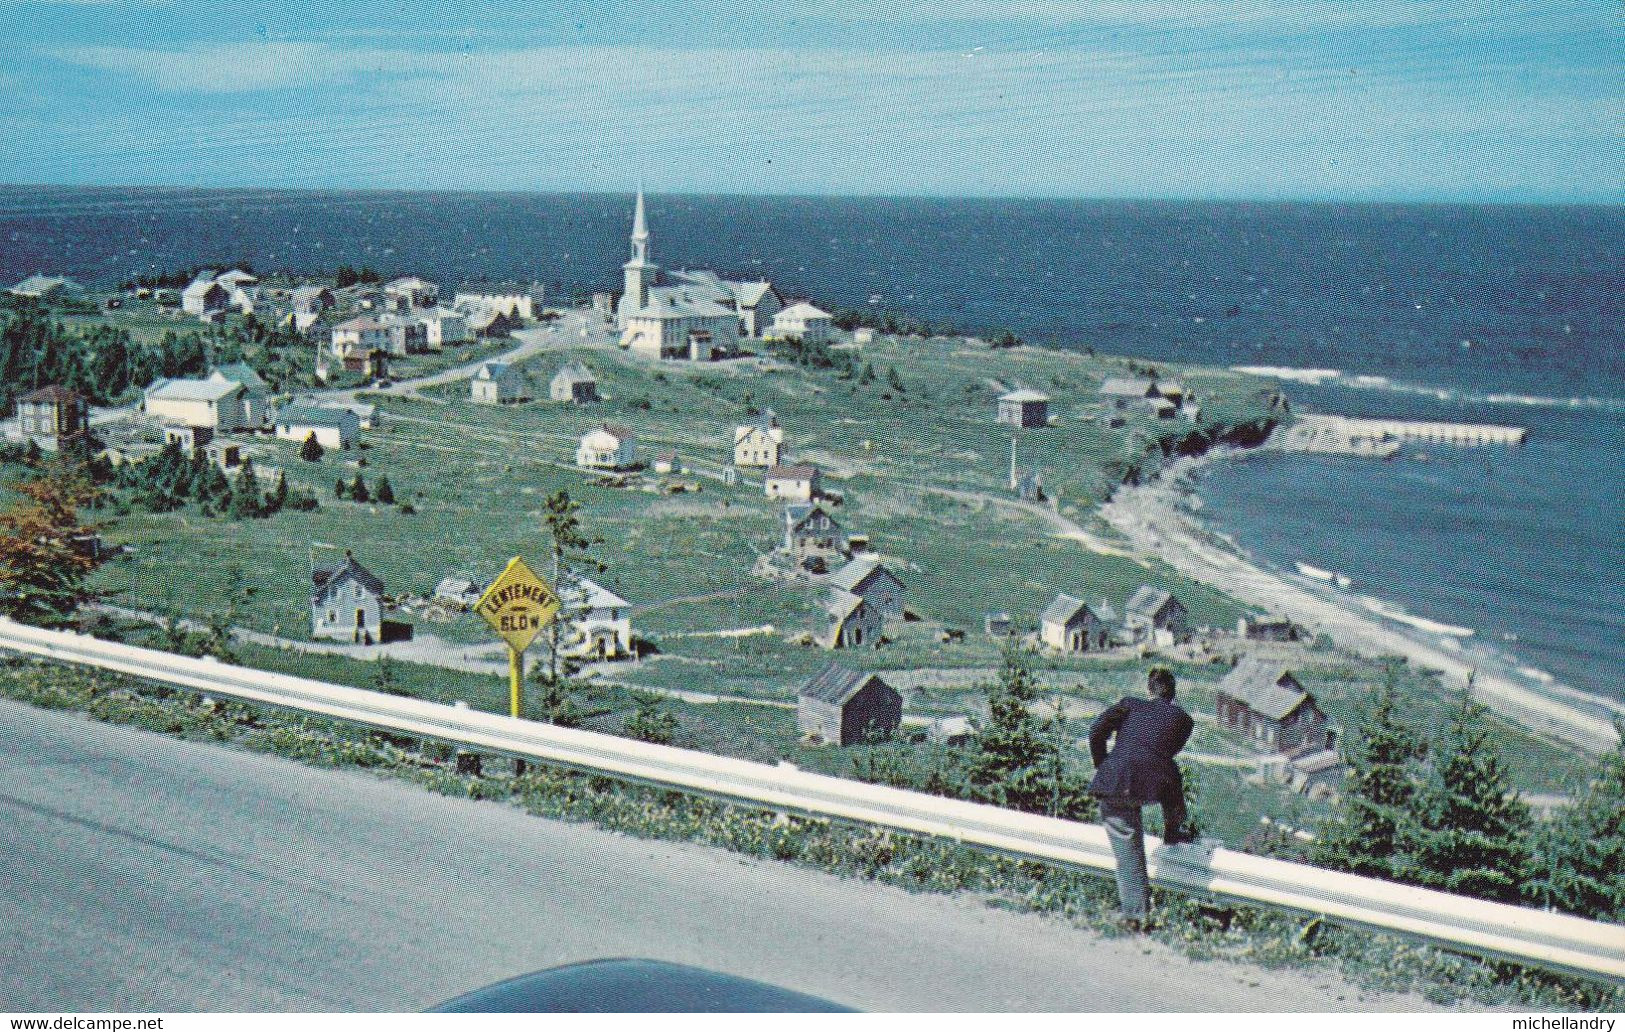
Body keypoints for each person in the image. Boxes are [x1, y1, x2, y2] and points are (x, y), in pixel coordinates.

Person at [1088, 667, 1196, 929]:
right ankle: (1173, 830)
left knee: (1127, 844)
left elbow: (1096, 731)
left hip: (1115, 778)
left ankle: (1135, 915)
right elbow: (1168, 751)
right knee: (1172, 777)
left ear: (1149, 689)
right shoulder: (1183, 719)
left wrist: (1103, 764)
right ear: (1173, 693)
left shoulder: (1129, 705)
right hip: (1153, 780)